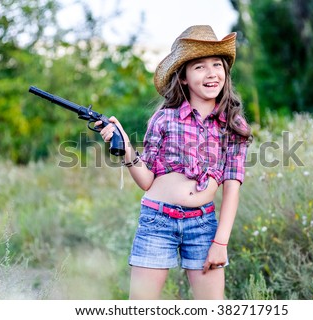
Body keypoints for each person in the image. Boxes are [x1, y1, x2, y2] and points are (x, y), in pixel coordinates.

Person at [97, 25, 252, 299]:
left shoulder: (233, 124)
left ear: (225, 72)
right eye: (199, 67)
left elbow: (232, 188)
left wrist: (221, 241)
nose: (211, 73)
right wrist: (126, 148)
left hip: (203, 225)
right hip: (157, 220)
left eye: (217, 64)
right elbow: (146, 181)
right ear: (183, 78)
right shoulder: (164, 119)